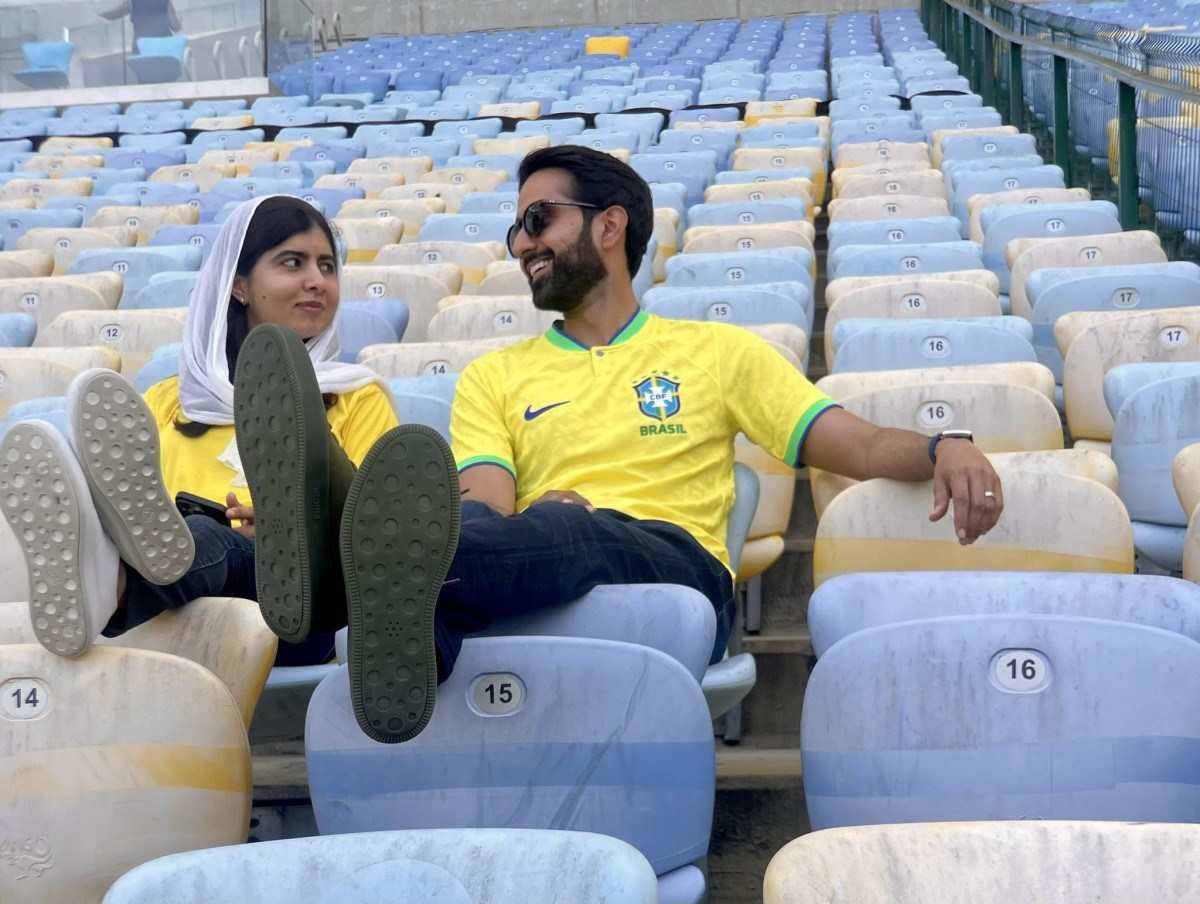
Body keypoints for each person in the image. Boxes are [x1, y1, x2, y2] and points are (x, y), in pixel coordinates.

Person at [225, 145, 1004, 747]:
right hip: (534, 549)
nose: (521, 243)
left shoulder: (717, 351)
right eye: (515, 228)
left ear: (609, 225)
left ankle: (337, 572)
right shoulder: (497, 375)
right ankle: (307, 586)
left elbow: (859, 445)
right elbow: (487, 507)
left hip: (676, 560)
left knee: (562, 525)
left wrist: (944, 446)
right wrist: (520, 522)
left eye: (539, 220)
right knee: (476, 540)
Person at [0, 195, 398, 665]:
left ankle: (113, 588)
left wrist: (289, 529)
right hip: (171, 618)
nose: (317, 282)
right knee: (180, 535)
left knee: (202, 540)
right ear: (240, 286)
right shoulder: (170, 401)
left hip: (297, 605)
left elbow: (386, 528)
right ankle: (115, 574)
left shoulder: (356, 397)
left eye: (328, 266)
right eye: (293, 263)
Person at [99, 0, 182, 51]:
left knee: (145, 76)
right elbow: (176, 27)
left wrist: (97, 14)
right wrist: (180, 21)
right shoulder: (165, 2)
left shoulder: (132, 2)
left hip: (142, 51)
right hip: (164, 50)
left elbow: (113, 15)